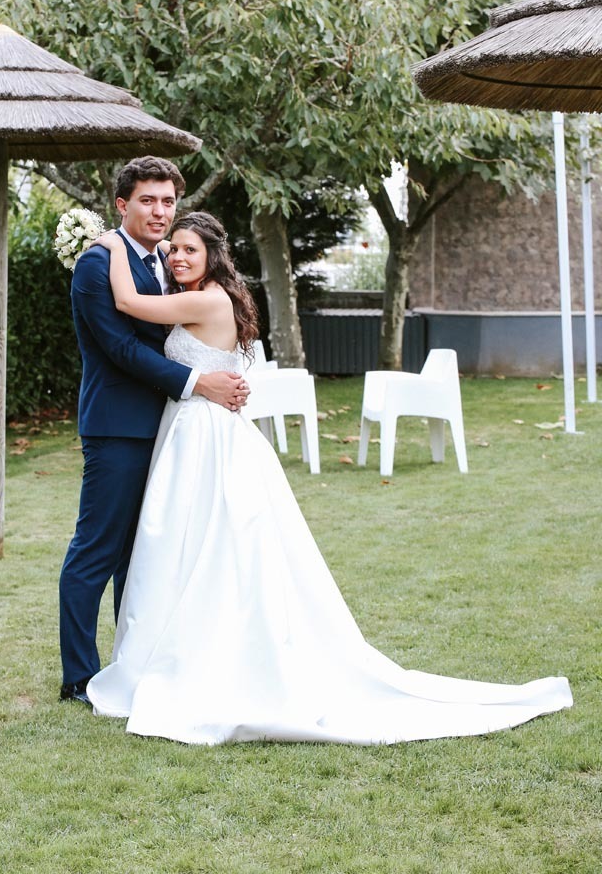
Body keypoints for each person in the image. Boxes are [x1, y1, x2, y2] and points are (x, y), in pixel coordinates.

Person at [85, 211, 572, 745]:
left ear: (213, 256)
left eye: (189, 250)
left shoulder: (207, 300)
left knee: (204, 541)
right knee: (186, 542)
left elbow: (128, 302)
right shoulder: (205, 294)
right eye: (174, 249)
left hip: (205, 437)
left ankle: (204, 656)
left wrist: (113, 245)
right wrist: (157, 255)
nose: (177, 256)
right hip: (194, 430)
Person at [58, 159, 250, 706]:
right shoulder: (97, 263)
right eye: (148, 200)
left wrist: (219, 371)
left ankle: (136, 662)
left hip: (172, 430)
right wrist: (200, 382)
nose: (160, 211)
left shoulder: (169, 261)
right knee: (97, 550)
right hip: (119, 427)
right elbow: (121, 348)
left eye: (168, 201)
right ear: (122, 205)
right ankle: (78, 676)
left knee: (145, 554)